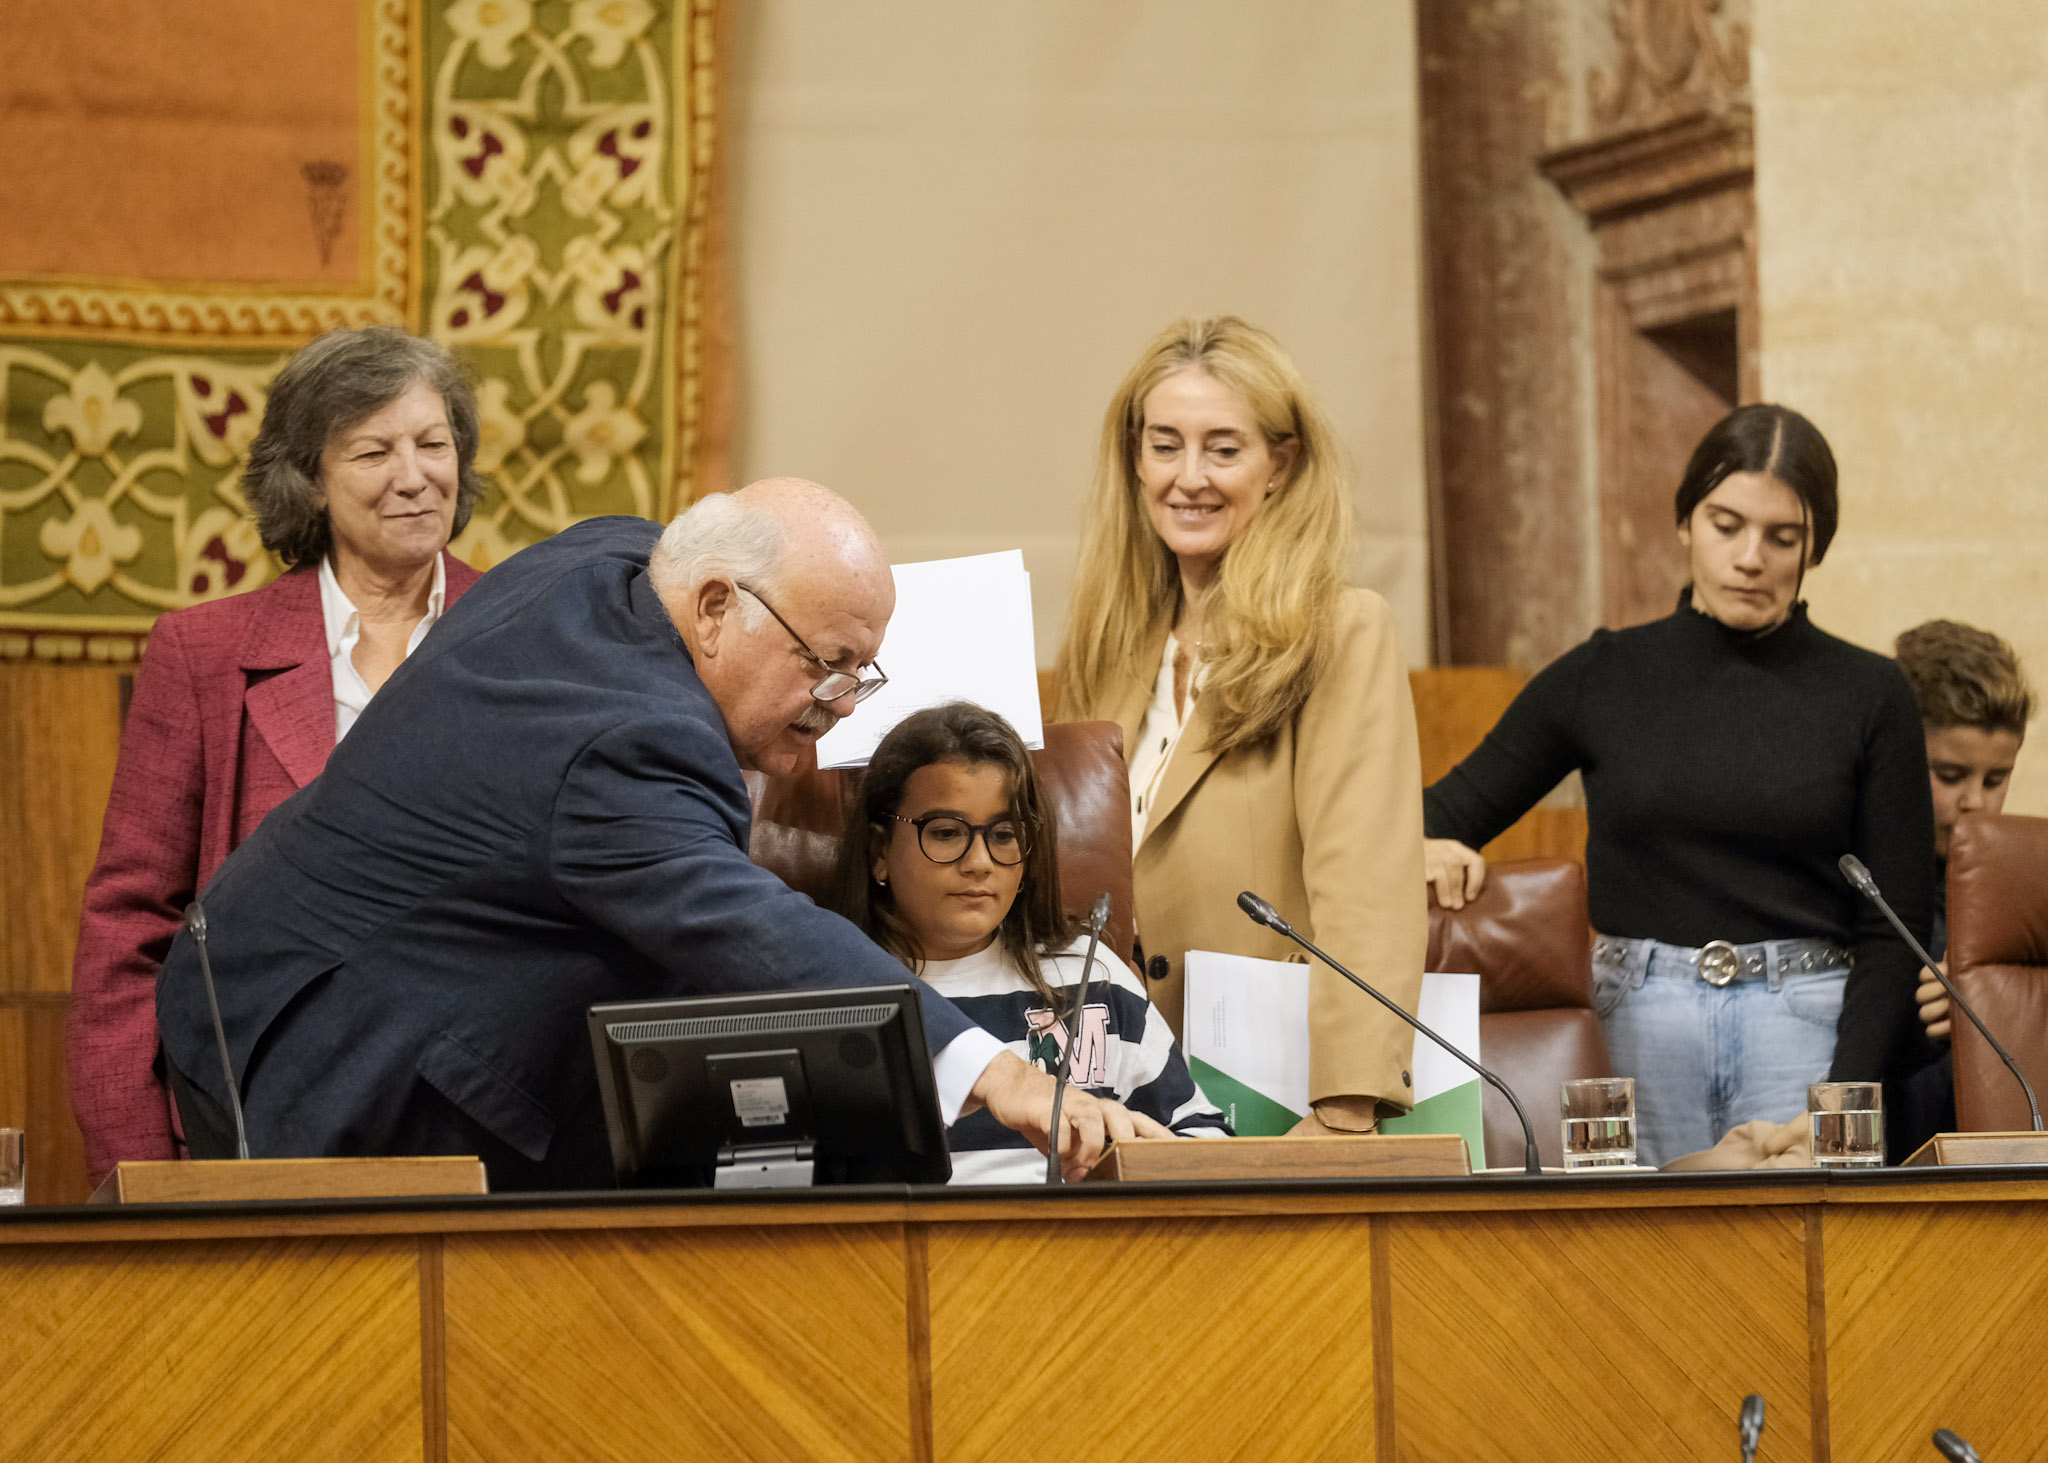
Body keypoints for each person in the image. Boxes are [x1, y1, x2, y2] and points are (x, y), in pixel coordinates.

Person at [153, 480, 1153, 1189]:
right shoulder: (635, 742)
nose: (842, 704)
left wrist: (795, 689)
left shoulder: (615, 554)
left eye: (861, 672)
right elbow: (755, 928)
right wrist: (1003, 1072)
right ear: (715, 606)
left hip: (295, 963)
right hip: (334, 1049)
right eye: (827, 664)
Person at [1422, 404, 1934, 1166]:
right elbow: (1441, 810)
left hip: (1806, 1021)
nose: (1751, 556)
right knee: (1639, 1269)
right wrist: (1430, 845)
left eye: (1781, 536)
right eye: (1727, 524)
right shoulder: (1605, 674)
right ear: (1685, 521)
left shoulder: (1871, 693)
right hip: (1636, 1016)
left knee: (1798, 1271)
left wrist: (1844, 1096)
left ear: (1814, 546)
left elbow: (1894, 930)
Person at [68, 326, 485, 1184]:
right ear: (310, 481)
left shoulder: (528, 637)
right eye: (374, 450)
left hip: (479, 1141)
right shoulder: (203, 655)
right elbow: (129, 927)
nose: (414, 476)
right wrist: (140, 1171)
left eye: (433, 444)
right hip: (250, 1143)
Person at [1054, 316, 1426, 1136]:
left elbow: (1365, 889)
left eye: (1224, 448)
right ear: (1135, 459)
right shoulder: (1104, 652)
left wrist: (1344, 1107)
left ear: (1280, 467)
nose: (1189, 477)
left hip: (1276, 1099)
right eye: (1164, 445)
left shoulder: (1338, 631)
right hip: (1112, 1099)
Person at [832, 701, 1225, 1183]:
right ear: (879, 853)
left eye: (1004, 835)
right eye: (946, 833)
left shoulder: (1090, 976)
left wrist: (1145, 1158)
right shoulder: (832, 983)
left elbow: (1206, 1142)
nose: (980, 862)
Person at [1888, 619, 2032, 1152]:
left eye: (1997, 780)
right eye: (1949, 776)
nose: (1975, 802)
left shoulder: (2019, 892)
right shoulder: (1853, 881)